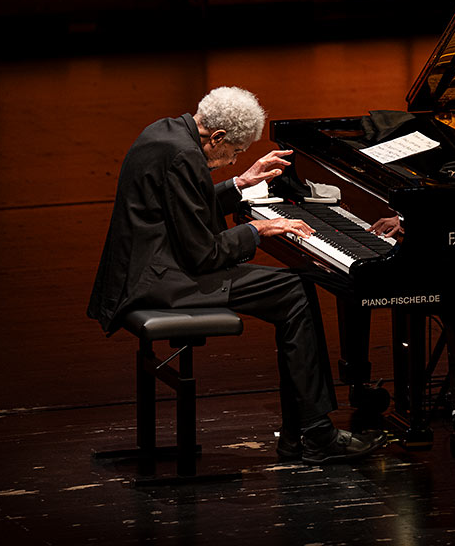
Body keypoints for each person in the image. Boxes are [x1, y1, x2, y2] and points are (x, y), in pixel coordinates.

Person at [88, 86, 384, 464]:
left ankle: (305, 433)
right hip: (160, 279)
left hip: (147, 267)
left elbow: (185, 208)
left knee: (295, 288)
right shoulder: (184, 157)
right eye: (235, 152)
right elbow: (204, 254)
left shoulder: (165, 133)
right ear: (218, 137)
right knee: (295, 292)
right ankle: (314, 434)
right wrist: (259, 230)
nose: (233, 160)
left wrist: (240, 184)